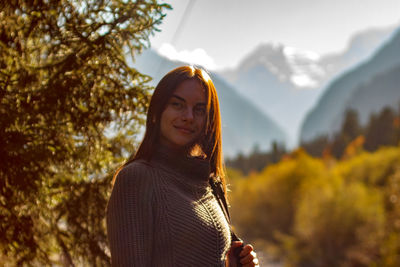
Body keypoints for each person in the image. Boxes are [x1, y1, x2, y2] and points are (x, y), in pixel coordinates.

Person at [107, 66, 259, 266]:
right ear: (157, 111)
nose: (188, 116)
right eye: (177, 105)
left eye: (199, 109)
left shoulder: (209, 182)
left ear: (208, 120)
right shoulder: (137, 178)